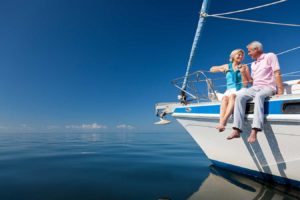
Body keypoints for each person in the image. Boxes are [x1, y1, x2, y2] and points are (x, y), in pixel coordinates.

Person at [227, 41, 284, 143]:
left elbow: (277, 72)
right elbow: (252, 81)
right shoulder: (253, 64)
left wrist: (280, 91)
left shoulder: (270, 56)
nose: (248, 54)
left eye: (249, 51)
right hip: (255, 87)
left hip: (268, 87)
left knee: (259, 96)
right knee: (239, 97)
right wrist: (243, 72)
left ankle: (255, 130)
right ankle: (237, 129)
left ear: (256, 49)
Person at [210, 49, 251, 132]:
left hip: (240, 89)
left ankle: (223, 122)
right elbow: (211, 69)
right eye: (238, 54)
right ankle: (221, 123)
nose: (240, 56)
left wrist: (242, 72)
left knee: (232, 96)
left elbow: (247, 83)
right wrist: (221, 69)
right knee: (225, 98)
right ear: (233, 56)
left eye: (242, 55)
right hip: (229, 90)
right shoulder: (226, 66)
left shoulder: (245, 66)